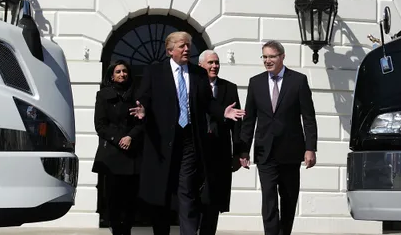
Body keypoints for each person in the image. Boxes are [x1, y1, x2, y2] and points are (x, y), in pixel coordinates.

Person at [129, 31, 245, 235]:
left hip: (190, 140)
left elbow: (209, 103)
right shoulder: (154, 72)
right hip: (162, 144)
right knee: (162, 194)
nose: (186, 49)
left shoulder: (198, 73)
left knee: (188, 191)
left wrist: (223, 112)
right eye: (182, 46)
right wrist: (143, 111)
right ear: (169, 50)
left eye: (188, 46)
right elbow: (144, 98)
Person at [239, 40, 318, 235]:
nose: (268, 61)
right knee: (269, 199)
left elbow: (308, 118)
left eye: (272, 56)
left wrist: (310, 148)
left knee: (289, 199)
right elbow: (249, 120)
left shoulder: (298, 81)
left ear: (282, 57)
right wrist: (243, 150)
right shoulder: (255, 82)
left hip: (291, 151)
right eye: (264, 57)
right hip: (265, 151)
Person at [91, 60, 143, 235]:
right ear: (111, 76)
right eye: (118, 71)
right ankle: (116, 230)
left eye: (125, 71)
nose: (122, 74)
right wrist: (119, 138)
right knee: (113, 198)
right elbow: (100, 126)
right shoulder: (103, 95)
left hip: (132, 154)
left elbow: (142, 122)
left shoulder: (137, 94)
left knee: (130, 199)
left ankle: (126, 230)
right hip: (112, 154)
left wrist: (130, 137)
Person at [197, 50, 242, 235]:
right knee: (194, 197)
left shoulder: (229, 88)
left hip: (220, 152)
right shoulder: (193, 86)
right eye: (210, 63)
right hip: (197, 152)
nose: (214, 66)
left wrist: (238, 153)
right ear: (201, 65)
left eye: (216, 62)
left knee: (214, 200)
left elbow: (237, 124)